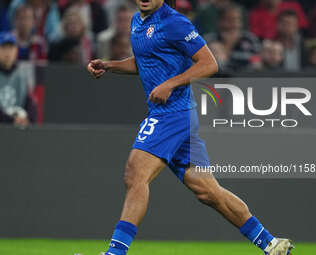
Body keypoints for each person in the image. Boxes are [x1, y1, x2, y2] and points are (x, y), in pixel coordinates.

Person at [87, 1, 294, 255]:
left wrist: (170, 84)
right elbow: (145, 61)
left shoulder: (174, 22)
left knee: (135, 174)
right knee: (208, 191)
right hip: (177, 116)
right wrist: (110, 65)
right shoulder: (137, 21)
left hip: (173, 114)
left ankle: (115, 253)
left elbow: (209, 63)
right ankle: (271, 244)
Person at [0, 32, 37, 126]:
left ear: (16, 51)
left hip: (17, 130)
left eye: (11, 48)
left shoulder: (21, 76)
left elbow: (30, 103)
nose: (7, 52)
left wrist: (27, 119)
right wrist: (11, 120)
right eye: (4, 48)